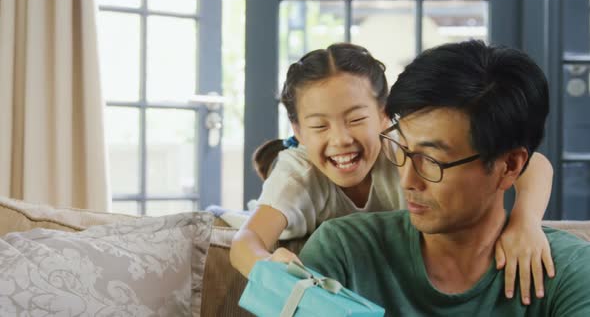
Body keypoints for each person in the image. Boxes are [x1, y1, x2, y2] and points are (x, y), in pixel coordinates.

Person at [230, 43, 554, 304]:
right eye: (319, 126)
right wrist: (268, 269)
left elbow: (532, 163)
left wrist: (525, 222)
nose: (341, 139)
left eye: (356, 119)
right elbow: (246, 241)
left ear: (385, 116)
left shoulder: (399, 147)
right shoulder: (298, 174)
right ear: (298, 130)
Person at [299, 40, 590, 315]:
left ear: (510, 165)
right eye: (403, 149)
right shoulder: (344, 252)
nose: (408, 180)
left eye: (432, 160)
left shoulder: (568, 274)